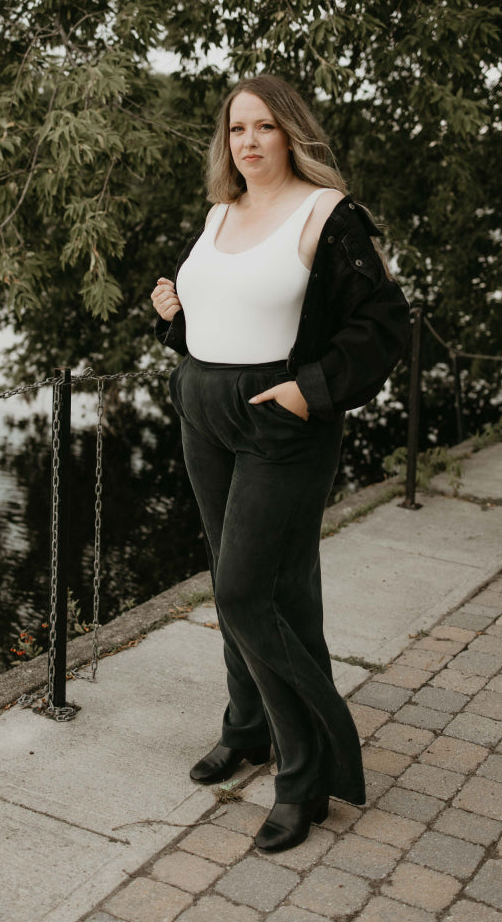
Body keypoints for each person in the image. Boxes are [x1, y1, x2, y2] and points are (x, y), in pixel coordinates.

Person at [150, 74, 409, 853]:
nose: (250, 142)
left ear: (292, 132)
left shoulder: (327, 214)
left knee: (245, 592)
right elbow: (224, 313)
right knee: (246, 581)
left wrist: (312, 390)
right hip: (204, 412)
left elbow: (382, 323)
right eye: (236, 130)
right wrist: (175, 318)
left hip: (280, 424)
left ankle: (310, 771)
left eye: (264, 127)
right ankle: (246, 728)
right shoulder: (220, 211)